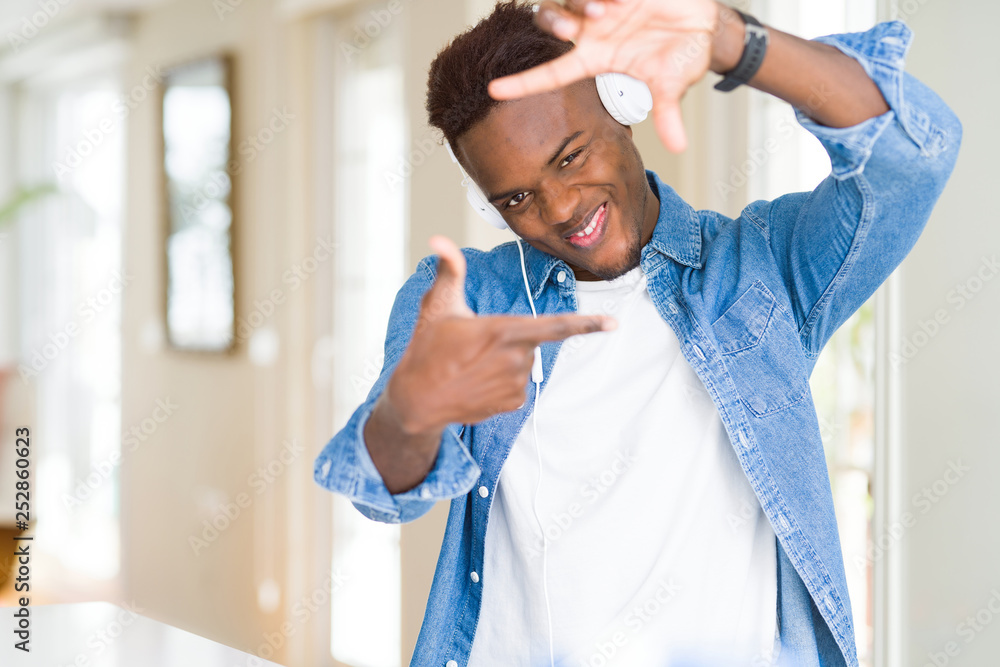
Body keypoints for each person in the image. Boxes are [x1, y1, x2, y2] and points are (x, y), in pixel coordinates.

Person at [313, 0, 962, 665]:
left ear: (623, 103)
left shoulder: (764, 270)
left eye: (569, 157)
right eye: (516, 198)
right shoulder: (463, 299)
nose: (560, 210)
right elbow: (381, 494)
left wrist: (732, 42)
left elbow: (917, 156)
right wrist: (410, 412)